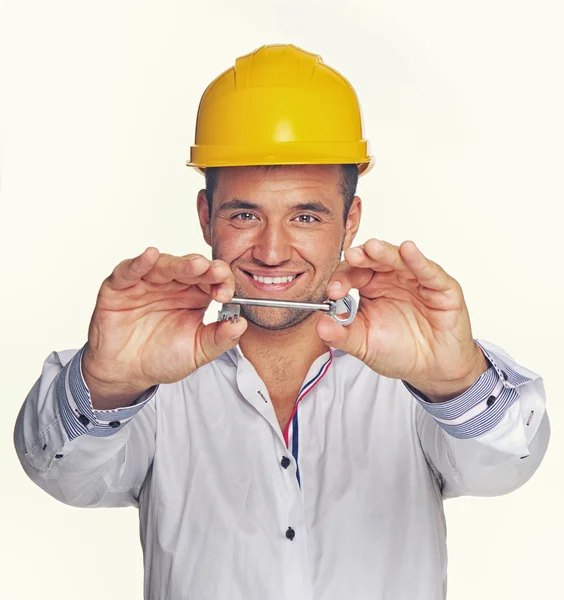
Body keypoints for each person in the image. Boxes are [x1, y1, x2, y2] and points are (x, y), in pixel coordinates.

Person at [13, 44, 550, 600]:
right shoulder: (155, 372)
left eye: (306, 216)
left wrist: (456, 382)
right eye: (245, 214)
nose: (272, 251)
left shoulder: (414, 363)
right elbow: (60, 475)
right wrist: (107, 384)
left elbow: (506, 467)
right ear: (205, 217)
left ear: (350, 222)